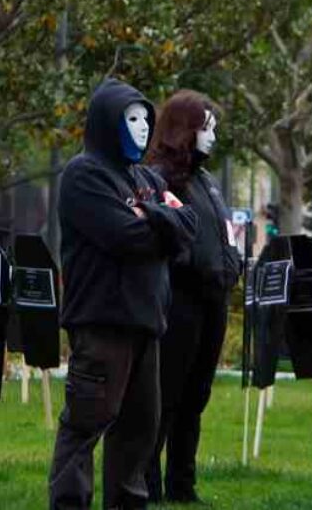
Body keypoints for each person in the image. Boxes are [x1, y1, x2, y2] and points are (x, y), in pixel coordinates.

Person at [49, 78, 197, 510]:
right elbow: (126, 237)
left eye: (145, 120)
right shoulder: (84, 175)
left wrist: (149, 213)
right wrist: (161, 223)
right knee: (85, 424)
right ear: (107, 123)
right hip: (102, 321)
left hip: (146, 321)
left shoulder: (147, 178)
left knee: (139, 430)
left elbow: (187, 229)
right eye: (129, 119)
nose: (140, 129)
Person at [145, 91, 240, 504]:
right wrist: (193, 268)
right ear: (186, 129)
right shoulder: (159, 177)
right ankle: (146, 482)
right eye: (207, 129)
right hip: (179, 301)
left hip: (212, 301)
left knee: (195, 396)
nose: (213, 137)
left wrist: (231, 265)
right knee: (165, 396)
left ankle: (182, 484)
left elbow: (222, 235)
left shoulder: (206, 181)